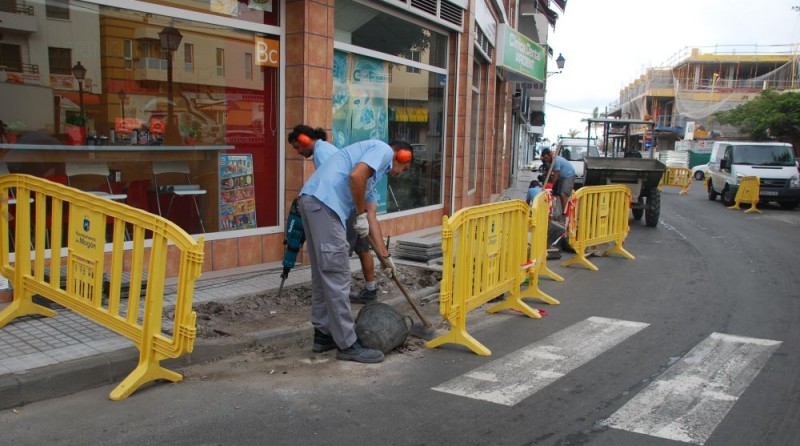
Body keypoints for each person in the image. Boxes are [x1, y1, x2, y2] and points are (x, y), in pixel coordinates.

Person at [298, 139, 414, 363]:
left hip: (313, 201)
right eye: (404, 168)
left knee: (323, 275)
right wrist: (359, 213)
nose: (400, 173)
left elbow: (371, 216)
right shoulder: (382, 151)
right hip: (325, 205)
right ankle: (348, 344)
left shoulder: (373, 175)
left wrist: (386, 258)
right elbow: (355, 177)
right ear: (401, 156)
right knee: (337, 275)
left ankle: (324, 335)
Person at [288, 125, 381, 305]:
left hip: (345, 208)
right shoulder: (325, 149)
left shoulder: (322, 152)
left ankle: (336, 294)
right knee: (362, 248)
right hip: (355, 204)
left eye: (298, 147)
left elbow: (332, 185)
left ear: (306, 140)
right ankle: (370, 289)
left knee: (338, 251)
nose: (298, 152)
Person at [540, 147, 576, 219]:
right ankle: (560, 213)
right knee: (558, 193)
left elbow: (556, 175)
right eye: (545, 158)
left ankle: (565, 214)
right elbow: (551, 171)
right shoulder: (553, 160)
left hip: (569, 176)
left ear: (550, 154)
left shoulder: (556, 160)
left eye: (546, 158)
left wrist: (551, 185)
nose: (546, 160)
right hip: (563, 177)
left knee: (563, 194)